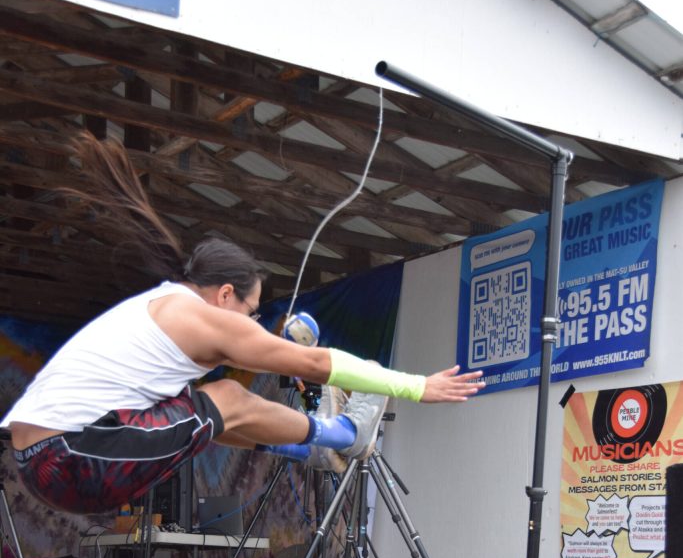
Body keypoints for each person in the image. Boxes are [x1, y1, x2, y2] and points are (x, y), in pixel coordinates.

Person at [2, 134, 485, 516]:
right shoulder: (200, 318)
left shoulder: (163, 306)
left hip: (44, 462)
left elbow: (219, 419)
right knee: (229, 399)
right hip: (70, 458)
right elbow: (317, 362)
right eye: (252, 313)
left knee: (210, 413)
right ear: (225, 295)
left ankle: (313, 446)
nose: (253, 326)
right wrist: (416, 386)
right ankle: (341, 435)